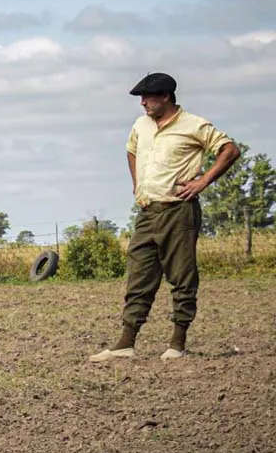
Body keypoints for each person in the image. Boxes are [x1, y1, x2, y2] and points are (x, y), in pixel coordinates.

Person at [90, 72, 239, 363]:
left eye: (147, 98)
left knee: (182, 276)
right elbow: (131, 151)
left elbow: (230, 150)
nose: (143, 103)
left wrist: (202, 182)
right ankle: (125, 343)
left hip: (178, 211)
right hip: (148, 212)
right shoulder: (141, 126)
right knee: (138, 277)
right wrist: (137, 184)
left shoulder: (193, 125)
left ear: (166, 97)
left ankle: (177, 343)